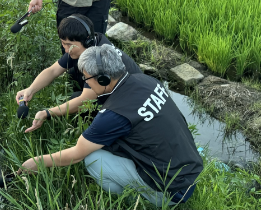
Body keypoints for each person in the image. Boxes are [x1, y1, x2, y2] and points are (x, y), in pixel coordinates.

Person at [18, 45, 203, 207]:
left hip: (171, 192)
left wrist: (37, 162)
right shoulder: (146, 81)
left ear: (104, 79)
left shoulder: (115, 113)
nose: (85, 83)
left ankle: (134, 200)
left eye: (86, 79)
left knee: (92, 158)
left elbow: (76, 154)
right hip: (190, 172)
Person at [16, 14, 142, 133]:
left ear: (87, 41)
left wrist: (46, 113)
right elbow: (53, 70)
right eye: (63, 43)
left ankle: (91, 125)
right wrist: (30, 90)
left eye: (69, 45)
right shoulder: (88, 43)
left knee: (76, 99)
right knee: (72, 73)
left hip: (131, 104)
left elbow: (84, 100)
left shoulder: (97, 60)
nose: (66, 49)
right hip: (110, 86)